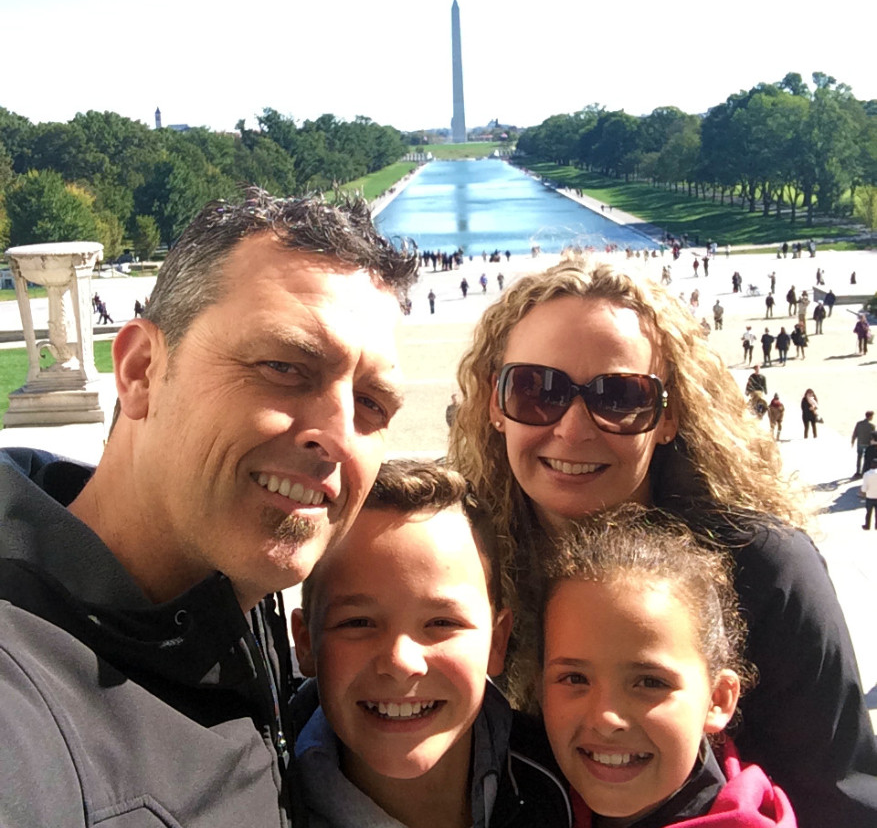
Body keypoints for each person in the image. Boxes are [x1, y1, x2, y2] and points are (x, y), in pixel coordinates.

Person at [0, 188, 418, 828]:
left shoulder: (228, 588)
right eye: (283, 366)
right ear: (141, 371)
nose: (338, 436)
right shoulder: (20, 715)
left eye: (372, 405)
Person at [448, 258, 877, 826]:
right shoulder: (454, 564)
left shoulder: (766, 570)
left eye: (620, 397)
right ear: (495, 405)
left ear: (669, 416)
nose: (573, 429)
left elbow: (838, 800)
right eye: (536, 390)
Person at [290, 460, 571, 828]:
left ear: (497, 642)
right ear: (306, 643)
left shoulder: (566, 788)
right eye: (358, 622)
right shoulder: (258, 802)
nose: (402, 662)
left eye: (442, 623)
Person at [539, 507, 795, 827]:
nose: (606, 718)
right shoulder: (518, 797)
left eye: (649, 683)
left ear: (718, 699)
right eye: (574, 678)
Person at [851, 411, 876, 477]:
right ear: (870, 416)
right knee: (866, 458)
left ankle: (857, 471)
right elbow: (873, 436)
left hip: (860, 443)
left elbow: (855, 433)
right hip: (867, 444)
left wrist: (852, 441)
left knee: (859, 457)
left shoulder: (859, 424)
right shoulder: (872, 426)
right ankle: (863, 472)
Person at [861, 462, 877, 531]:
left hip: (870, 496)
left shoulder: (867, 474)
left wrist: (863, 491)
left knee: (868, 512)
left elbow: (864, 487)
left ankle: (867, 525)